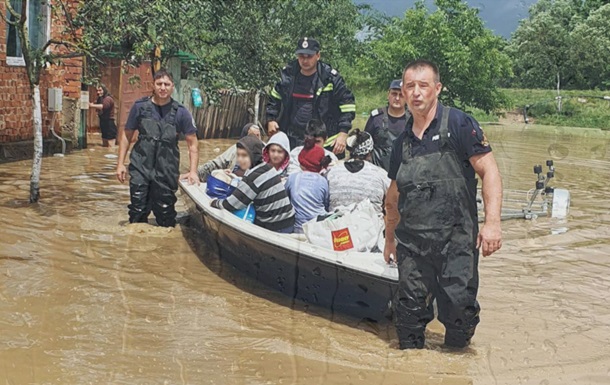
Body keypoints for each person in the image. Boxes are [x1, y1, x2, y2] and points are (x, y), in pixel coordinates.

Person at [384, 59, 503, 350]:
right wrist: (389, 240)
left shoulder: (460, 124)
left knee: (460, 315)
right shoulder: (401, 144)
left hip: (456, 241)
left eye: (423, 85)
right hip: (413, 245)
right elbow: (393, 198)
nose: (416, 93)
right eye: (409, 86)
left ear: (437, 88)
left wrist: (492, 223)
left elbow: (490, 171)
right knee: (408, 318)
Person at [116, 68, 200, 227]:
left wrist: (193, 171)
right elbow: (126, 135)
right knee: (137, 210)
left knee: (165, 215)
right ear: (153, 85)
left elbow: (193, 143)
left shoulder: (181, 113)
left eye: (166, 84)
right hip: (141, 166)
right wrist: (120, 164)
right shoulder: (140, 107)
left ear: (172, 87)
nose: (163, 87)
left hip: (166, 171)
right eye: (159, 84)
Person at [266, 37, 356, 156]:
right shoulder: (288, 75)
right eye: (301, 56)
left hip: (324, 141)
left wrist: (343, 133)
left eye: (309, 56)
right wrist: (271, 120)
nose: (305, 60)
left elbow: (348, 106)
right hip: (292, 139)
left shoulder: (330, 78)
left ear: (318, 55)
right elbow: (274, 98)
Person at [210, 135, 295, 233]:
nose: (239, 160)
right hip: (289, 221)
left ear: (253, 156)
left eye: (244, 155)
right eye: (238, 155)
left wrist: (214, 202)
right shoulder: (268, 167)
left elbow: (232, 204)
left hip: (275, 227)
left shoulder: (253, 177)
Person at [326, 129, 390, 214]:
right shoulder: (381, 175)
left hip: (338, 224)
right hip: (371, 225)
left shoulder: (331, 172)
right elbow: (392, 199)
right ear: (370, 152)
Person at [285, 137, 332, 233]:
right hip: (318, 227)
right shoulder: (323, 181)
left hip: (298, 227)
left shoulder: (293, 178)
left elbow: (285, 198)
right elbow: (326, 203)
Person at [365, 79, 410, 172]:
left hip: (404, 174)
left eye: (401, 95)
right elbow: (365, 144)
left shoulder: (413, 120)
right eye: (394, 94)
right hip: (377, 173)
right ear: (388, 94)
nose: (397, 98)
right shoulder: (376, 118)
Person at [197, 123, 261, 181]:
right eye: (252, 135)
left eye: (258, 135)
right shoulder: (235, 149)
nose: (255, 139)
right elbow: (216, 164)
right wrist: (196, 173)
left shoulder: (265, 152)